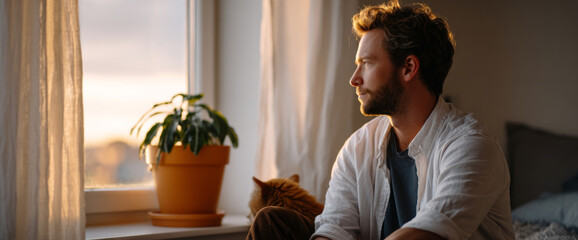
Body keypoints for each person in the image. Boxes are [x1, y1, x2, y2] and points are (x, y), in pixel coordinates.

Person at [247, 1, 515, 239]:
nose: (354, 79)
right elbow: (334, 228)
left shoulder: (471, 147)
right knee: (272, 221)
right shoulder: (358, 148)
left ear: (408, 68)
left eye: (367, 62)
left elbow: (430, 232)